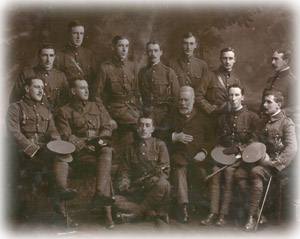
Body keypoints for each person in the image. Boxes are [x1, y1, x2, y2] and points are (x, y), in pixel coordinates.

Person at [7, 77, 77, 225]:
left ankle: (61, 195)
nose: (41, 90)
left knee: (62, 154)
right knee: (59, 159)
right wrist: (32, 149)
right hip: (24, 153)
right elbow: (14, 132)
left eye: (42, 88)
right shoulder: (15, 108)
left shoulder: (45, 109)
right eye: (36, 87)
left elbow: (53, 131)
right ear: (27, 89)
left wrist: (55, 142)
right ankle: (62, 198)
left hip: (44, 152)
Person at [55, 79, 115, 228]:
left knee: (107, 150)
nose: (86, 91)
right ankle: (100, 203)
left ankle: (100, 195)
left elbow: (107, 127)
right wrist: (85, 145)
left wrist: (99, 140)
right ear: (73, 91)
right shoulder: (64, 111)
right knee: (103, 166)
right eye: (82, 88)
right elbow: (66, 135)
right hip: (77, 155)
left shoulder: (98, 107)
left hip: (97, 151)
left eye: (87, 87)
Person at [235, 90, 297, 231]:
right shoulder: (263, 121)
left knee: (256, 172)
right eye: (264, 101)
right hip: (259, 160)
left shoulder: (287, 123)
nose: (264, 105)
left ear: (279, 104)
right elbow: (254, 140)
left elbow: (292, 148)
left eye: (269, 102)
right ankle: (258, 213)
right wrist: (244, 150)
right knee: (239, 174)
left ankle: (251, 217)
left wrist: (275, 163)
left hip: (276, 164)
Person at [201, 84, 259, 226]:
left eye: (236, 95)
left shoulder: (251, 117)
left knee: (228, 172)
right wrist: (218, 152)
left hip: (241, 157)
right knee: (215, 172)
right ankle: (212, 212)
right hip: (224, 154)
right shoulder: (223, 118)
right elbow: (219, 139)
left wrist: (240, 150)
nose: (233, 98)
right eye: (231, 95)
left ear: (242, 97)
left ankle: (223, 215)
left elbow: (255, 140)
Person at [115, 114, 170, 224]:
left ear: (153, 129)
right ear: (137, 128)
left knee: (163, 184)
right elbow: (124, 170)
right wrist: (125, 184)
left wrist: (154, 179)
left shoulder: (160, 145)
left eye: (147, 125)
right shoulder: (130, 148)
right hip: (138, 190)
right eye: (140, 125)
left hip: (154, 190)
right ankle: (150, 212)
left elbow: (165, 170)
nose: (143, 128)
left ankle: (136, 214)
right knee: (114, 201)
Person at [169, 86, 211, 223]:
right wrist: (174, 136)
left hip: (197, 158)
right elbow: (158, 133)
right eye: (180, 100)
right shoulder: (171, 116)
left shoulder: (203, 118)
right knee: (180, 171)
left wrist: (204, 152)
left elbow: (212, 138)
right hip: (179, 157)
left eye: (186, 100)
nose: (182, 103)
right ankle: (183, 207)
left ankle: (199, 206)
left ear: (193, 101)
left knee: (203, 175)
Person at [94, 35, 140, 146]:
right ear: (113, 47)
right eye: (120, 46)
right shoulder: (105, 67)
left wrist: (140, 110)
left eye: (126, 46)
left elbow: (137, 92)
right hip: (115, 111)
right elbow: (96, 96)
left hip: (133, 110)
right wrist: (107, 117)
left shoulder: (133, 66)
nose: (124, 49)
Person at [10, 43, 69, 111]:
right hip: (32, 116)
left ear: (54, 57)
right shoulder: (27, 74)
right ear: (39, 56)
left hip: (55, 118)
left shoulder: (60, 76)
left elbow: (66, 102)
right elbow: (14, 99)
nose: (48, 60)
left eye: (51, 55)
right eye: (44, 55)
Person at [138, 40, 180, 134]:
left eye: (156, 50)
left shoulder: (169, 72)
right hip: (146, 116)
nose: (153, 54)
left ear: (161, 52)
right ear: (146, 53)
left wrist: (169, 118)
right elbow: (138, 94)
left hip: (164, 117)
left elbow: (176, 98)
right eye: (150, 51)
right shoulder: (142, 72)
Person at [196, 47, 241, 115]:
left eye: (230, 58)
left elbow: (240, 99)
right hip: (212, 117)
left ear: (234, 60)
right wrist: (209, 108)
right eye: (224, 58)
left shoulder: (236, 80)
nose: (227, 61)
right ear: (220, 59)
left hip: (229, 117)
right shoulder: (210, 75)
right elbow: (198, 95)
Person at [55, 20, 96, 87]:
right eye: (75, 33)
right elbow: (57, 80)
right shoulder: (59, 55)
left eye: (81, 33)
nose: (78, 37)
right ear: (69, 34)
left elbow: (95, 79)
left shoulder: (89, 54)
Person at [262, 49, 296, 118]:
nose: (273, 62)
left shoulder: (293, 82)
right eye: (272, 59)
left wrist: (280, 113)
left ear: (286, 61)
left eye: (276, 59)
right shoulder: (271, 79)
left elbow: (296, 106)